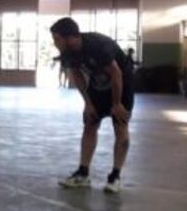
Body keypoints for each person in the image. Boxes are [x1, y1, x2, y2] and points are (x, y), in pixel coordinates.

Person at [51, 17, 134, 194]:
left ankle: (115, 176)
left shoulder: (98, 46)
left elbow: (116, 73)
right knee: (90, 122)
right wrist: (88, 103)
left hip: (122, 83)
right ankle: (83, 174)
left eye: (57, 38)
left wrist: (117, 103)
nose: (55, 43)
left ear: (70, 37)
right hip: (98, 84)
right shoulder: (68, 52)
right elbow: (77, 75)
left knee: (120, 125)